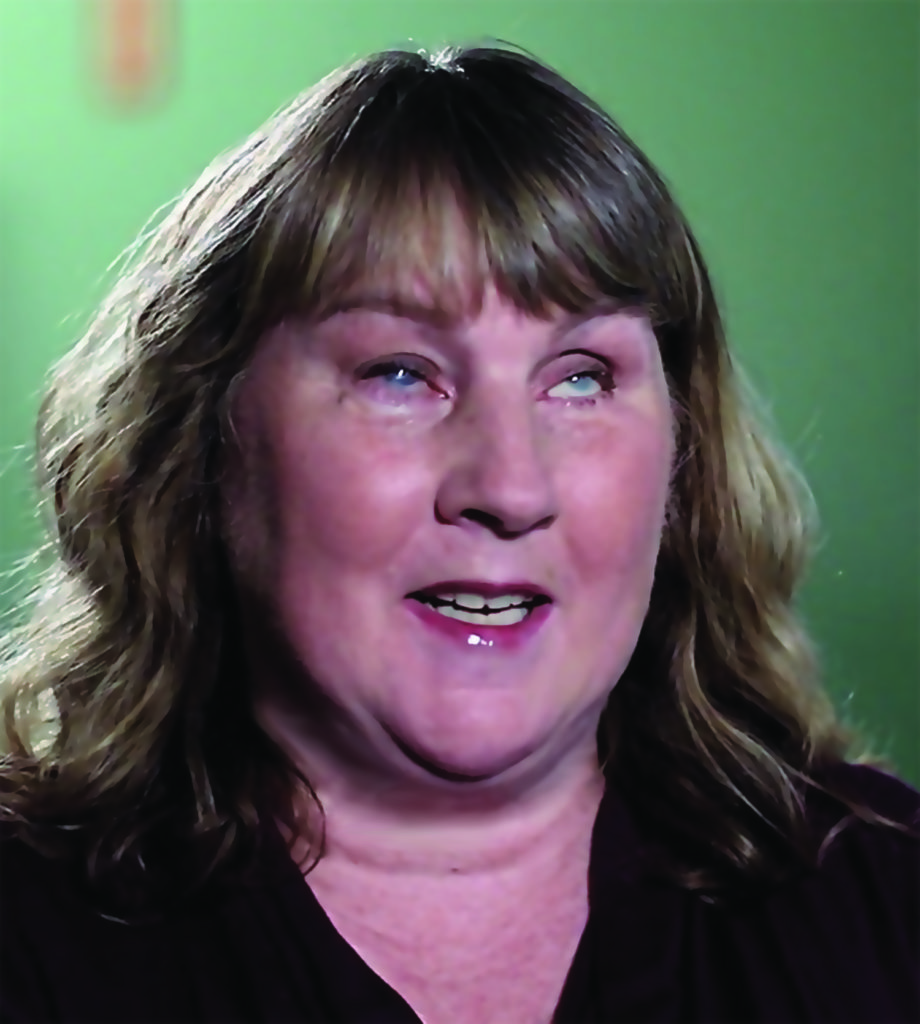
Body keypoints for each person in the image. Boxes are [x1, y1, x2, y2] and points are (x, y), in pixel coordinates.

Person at [0, 43, 917, 1024]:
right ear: (205, 442)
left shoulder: (884, 902)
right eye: (398, 372)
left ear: (681, 463)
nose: (509, 487)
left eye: (579, 377)